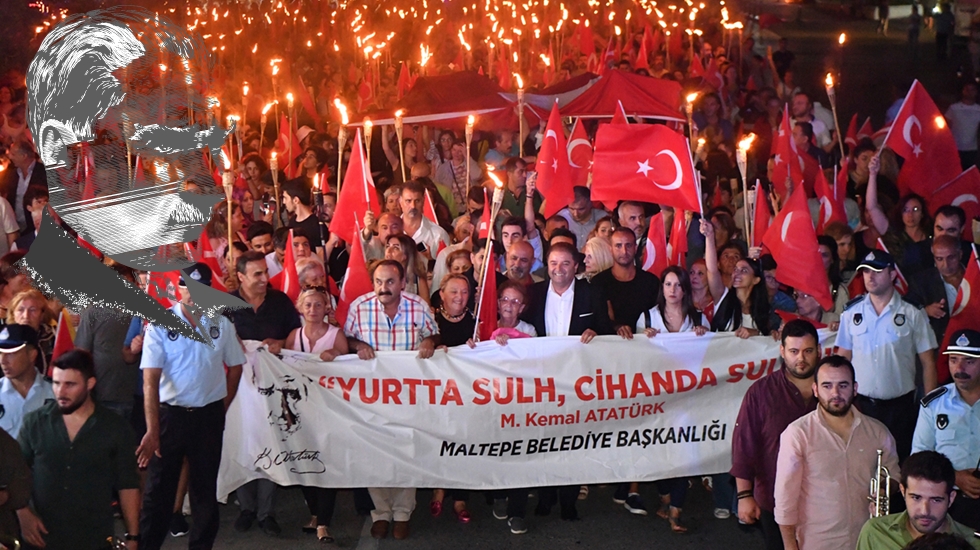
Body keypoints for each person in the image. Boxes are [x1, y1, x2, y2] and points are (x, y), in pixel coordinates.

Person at [136, 263, 245, 550]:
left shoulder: (222, 324)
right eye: (187, 286)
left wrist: (223, 405)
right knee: (159, 492)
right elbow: (150, 380)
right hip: (171, 417)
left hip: (208, 417)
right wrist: (152, 429)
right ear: (177, 288)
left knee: (204, 492)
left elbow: (235, 367)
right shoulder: (160, 324)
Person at [344, 259, 439, 540]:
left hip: (408, 395)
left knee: (405, 451)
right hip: (371, 397)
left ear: (402, 283)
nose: (383, 288)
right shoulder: (359, 307)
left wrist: (429, 341)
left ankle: (402, 513)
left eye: (389, 282)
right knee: (375, 453)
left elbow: (433, 332)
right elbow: (346, 339)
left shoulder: (418, 306)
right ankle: (381, 512)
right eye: (378, 282)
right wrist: (358, 345)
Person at [523, 243, 613, 521]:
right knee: (544, 440)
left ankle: (569, 500)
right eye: (553, 263)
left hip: (578, 380)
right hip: (542, 379)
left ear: (576, 266)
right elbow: (522, 330)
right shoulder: (534, 293)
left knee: (573, 442)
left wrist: (596, 331)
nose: (558, 269)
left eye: (565, 264)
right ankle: (545, 496)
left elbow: (606, 331)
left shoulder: (592, 293)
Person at [18, 349, 141, 550]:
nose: (60, 392)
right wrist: (23, 514)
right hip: (41, 536)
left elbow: (127, 485)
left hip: (93, 537)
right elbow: (17, 475)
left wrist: (133, 537)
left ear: (90, 384)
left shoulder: (115, 428)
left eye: (70, 385)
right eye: (56, 383)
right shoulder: (35, 423)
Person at [774, 355, 900, 550]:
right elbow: (785, 497)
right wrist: (790, 545)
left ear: (855, 388)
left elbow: (894, 473)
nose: (835, 393)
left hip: (867, 539)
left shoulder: (878, 432)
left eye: (843, 385)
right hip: (817, 541)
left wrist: (884, 488)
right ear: (815, 389)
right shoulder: (797, 434)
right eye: (827, 386)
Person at [225, 251, 302, 536]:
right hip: (238, 388)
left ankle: (266, 512)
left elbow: (297, 335)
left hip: (273, 386)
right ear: (241, 277)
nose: (263, 279)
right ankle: (246, 507)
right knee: (242, 440)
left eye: (265, 273)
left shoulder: (280, 301)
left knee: (271, 441)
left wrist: (281, 342)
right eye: (256, 274)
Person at [836, 249, 938, 460]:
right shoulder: (851, 313)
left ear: (892, 275)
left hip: (900, 408)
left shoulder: (912, 312)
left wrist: (930, 407)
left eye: (877, 270)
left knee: (899, 464)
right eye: (865, 271)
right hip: (861, 406)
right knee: (861, 464)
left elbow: (928, 363)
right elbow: (842, 359)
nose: (870, 276)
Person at [732, 320, 820, 550]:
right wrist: (744, 496)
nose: (801, 358)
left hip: (824, 501)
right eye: (794, 351)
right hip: (773, 500)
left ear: (819, 351)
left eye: (808, 351)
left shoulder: (833, 394)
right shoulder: (760, 393)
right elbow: (744, 448)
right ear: (782, 352)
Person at [635, 266, 709, 531]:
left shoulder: (699, 319)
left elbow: (713, 357)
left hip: (688, 400)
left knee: (685, 452)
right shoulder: (647, 318)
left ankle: (676, 510)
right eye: (668, 284)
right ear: (662, 288)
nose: (673, 290)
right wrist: (642, 339)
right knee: (660, 452)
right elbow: (635, 358)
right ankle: (665, 499)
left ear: (685, 289)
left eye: (678, 285)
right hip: (657, 400)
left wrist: (704, 337)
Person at [285, 288, 347, 543]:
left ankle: (323, 522)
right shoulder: (294, 336)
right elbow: (283, 370)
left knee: (326, 464)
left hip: (329, 410)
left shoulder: (336, 335)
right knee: (304, 462)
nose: (313, 310)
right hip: (301, 411)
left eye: (318, 305)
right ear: (301, 307)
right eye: (308, 305)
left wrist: (337, 354)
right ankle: (313, 511)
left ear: (327, 308)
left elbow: (352, 369)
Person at [912, 329, 980, 529]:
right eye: (953, 360)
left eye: (969, 361)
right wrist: (955, 476)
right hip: (946, 502)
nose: (959, 368)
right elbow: (918, 457)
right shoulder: (934, 404)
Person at [856, 451, 980, 549]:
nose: (924, 510)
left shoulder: (973, 543)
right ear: (903, 492)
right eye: (916, 498)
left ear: (951, 498)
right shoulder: (875, 532)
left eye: (936, 500)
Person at [701, 220, 771, 337]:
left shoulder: (764, 309)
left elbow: (770, 339)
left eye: (744, 271)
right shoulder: (723, 297)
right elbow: (712, 269)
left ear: (756, 280)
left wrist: (756, 333)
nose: (737, 273)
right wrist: (709, 236)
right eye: (735, 270)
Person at [591, 227, 661, 339]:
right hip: (609, 346)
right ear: (610, 249)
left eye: (628, 245)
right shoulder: (599, 282)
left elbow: (659, 316)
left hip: (646, 345)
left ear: (635, 248)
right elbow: (598, 320)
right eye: (618, 246)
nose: (624, 251)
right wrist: (617, 327)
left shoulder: (651, 282)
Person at [906, 236, 967, 349]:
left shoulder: (975, 276)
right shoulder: (921, 281)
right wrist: (925, 311)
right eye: (939, 259)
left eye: (951, 258)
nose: (946, 265)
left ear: (960, 254)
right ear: (934, 258)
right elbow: (906, 313)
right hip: (938, 346)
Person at [0, 324, 53, 439]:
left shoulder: (54, 393)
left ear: (32, 355)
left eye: (11, 353)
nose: (3, 361)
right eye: (0, 353)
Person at [0, 139, 46, 234]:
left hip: (37, 227)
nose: (9, 156)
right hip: (15, 227)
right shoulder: (10, 174)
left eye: (13, 154)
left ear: (24, 156)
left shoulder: (45, 173)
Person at [400, 180, 451, 259]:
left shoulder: (438, 235)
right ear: (400, 201)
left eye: (417, 201)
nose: (413, 206)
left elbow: (445, 267)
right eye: (408, 201)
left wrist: (429, 261)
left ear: (423, 200)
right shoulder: (391, 230)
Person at [945, 81, 980, 170]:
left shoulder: (978, 109)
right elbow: (946, 127)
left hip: (972, 149)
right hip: (955, 148)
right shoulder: (953, 108)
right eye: (967, 89)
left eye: (972, 90)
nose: (969, 92)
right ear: (963, 91)